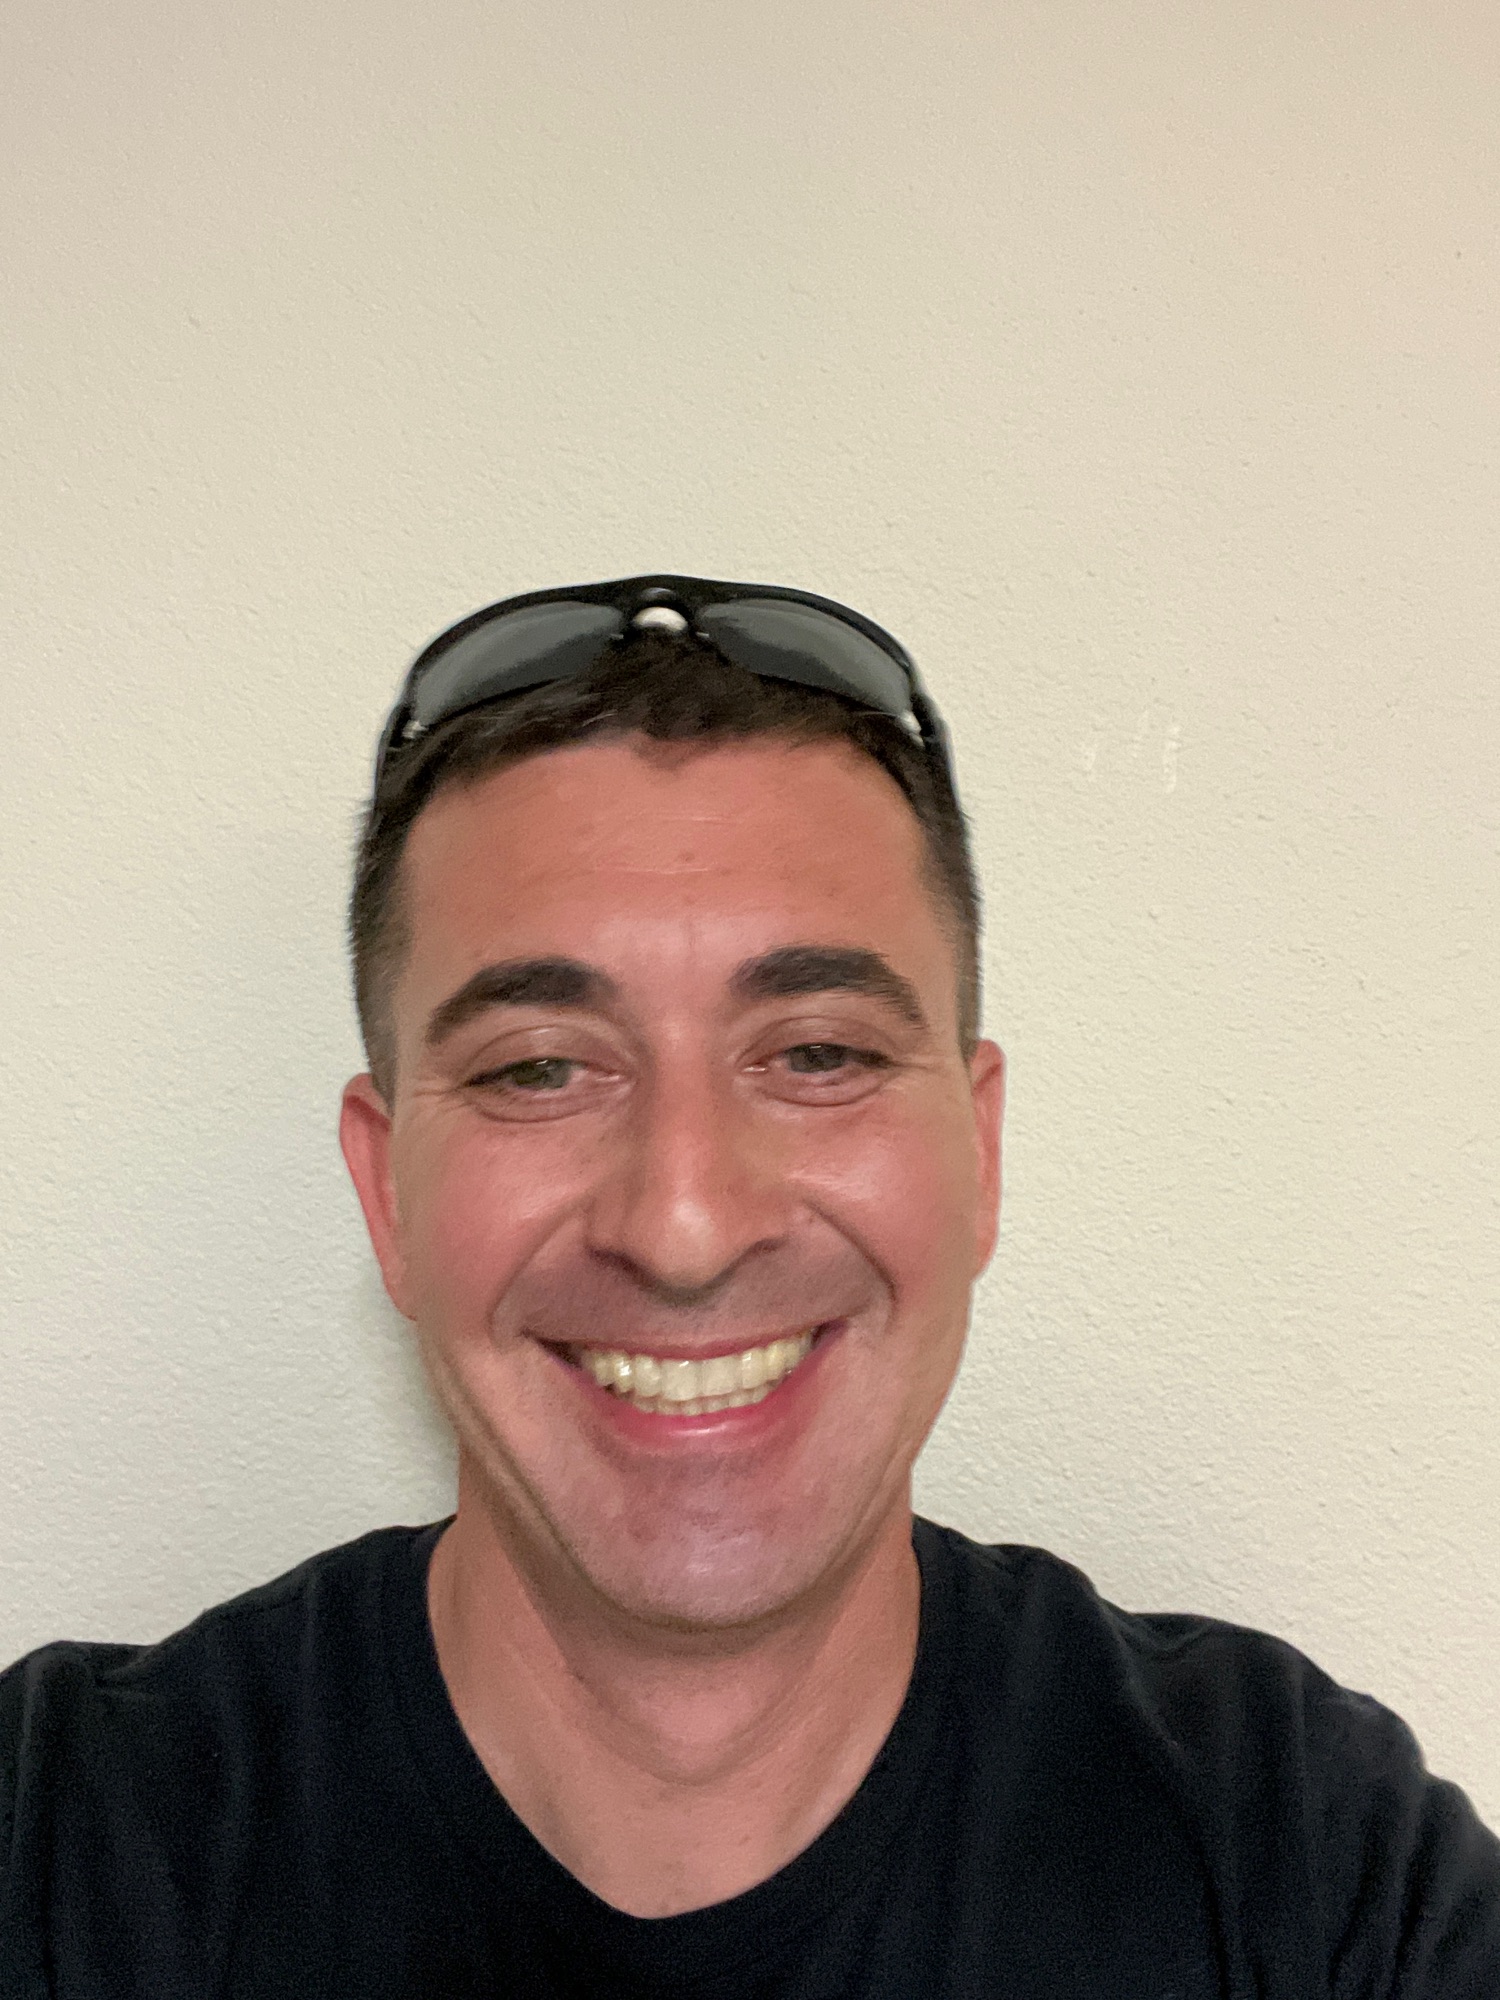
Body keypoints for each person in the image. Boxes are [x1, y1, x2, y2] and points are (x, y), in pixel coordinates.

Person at [2, 574, 1496, 1998]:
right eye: (539, 1069)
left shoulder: (1307, 1863)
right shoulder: (57, 1847)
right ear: (387, 1192)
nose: (686, 1225)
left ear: (977, 1153)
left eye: (820, 1054)